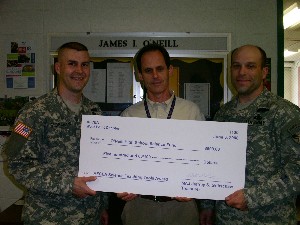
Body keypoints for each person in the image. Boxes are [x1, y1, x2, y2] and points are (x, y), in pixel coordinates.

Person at [4, 42, 109, 225]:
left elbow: (101, 162)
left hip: (89, 215)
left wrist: (103, 205)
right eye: (72, 64)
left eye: (84, 64)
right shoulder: (32, 113)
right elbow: (16, 165)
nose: (79, 70)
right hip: (49, 217)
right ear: (58, 68)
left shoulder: (94, 112)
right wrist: (68, 183)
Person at [200, 45, 300, 225]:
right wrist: (208, 205)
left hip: (270, 219)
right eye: (237, 66)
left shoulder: (285, 113)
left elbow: (297, 171)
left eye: (251, 66)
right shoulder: (223, 114)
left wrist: (252, 197)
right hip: (227, 218)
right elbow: (213, 162)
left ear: (264, 72)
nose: (242, 72)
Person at [117, 43, 205, 225]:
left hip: (181, 207)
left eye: (160, 69)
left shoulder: (191, 111)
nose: (155, 76)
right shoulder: (128, 115)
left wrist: (196, 186)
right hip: (139, 206)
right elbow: (118, 164)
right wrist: (120, 185)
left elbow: (204, 158)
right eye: (148, 71)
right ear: (139, 75)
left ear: (170, 70)